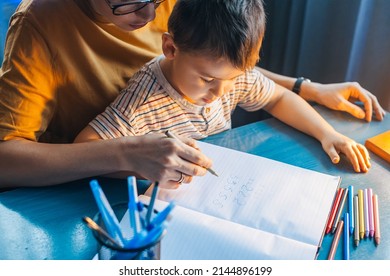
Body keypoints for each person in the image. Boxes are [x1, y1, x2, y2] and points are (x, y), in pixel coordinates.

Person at [0, 0, 385, 190]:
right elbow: (6, 160)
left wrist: (307, 88)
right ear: (169, 48)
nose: (151, 14)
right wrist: (129, 155)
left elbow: (218, 66)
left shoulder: (210, 68)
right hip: (89, 187)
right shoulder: (39, 25)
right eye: (130, 2)